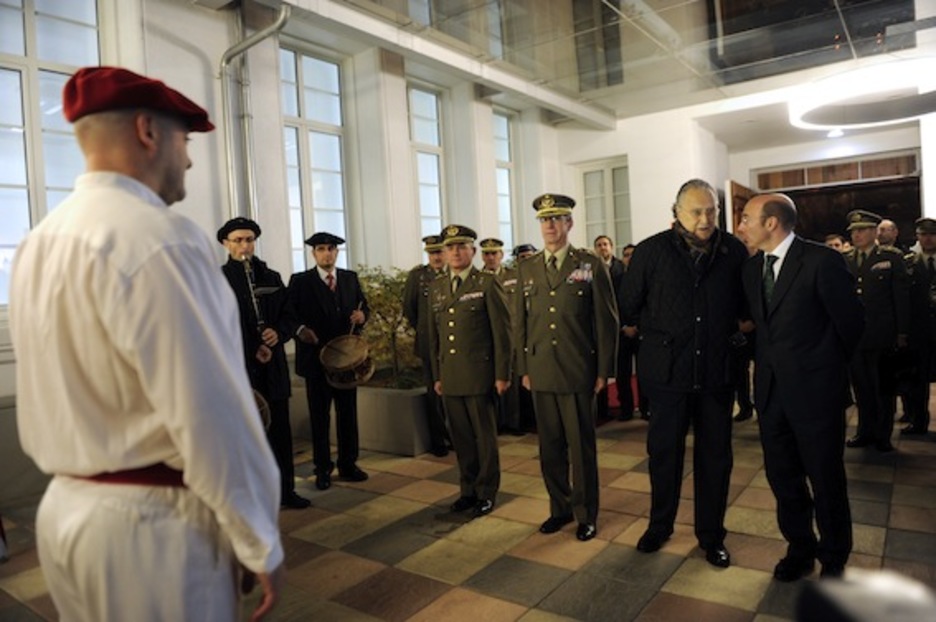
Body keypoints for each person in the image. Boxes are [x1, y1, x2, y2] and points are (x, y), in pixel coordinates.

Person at [9, 66, 284, 621]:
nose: (187, 159)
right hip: (153, 528)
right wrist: (259, 540)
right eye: (185, 140)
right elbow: (210, 414)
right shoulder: (162, 238)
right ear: (148, 132)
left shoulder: (39, 241)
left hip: (66, 515)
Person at [620, 179, 748, 568]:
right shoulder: (650, 251)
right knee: (664, 455)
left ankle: (712, 536)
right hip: (667, 375)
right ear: (675, 213)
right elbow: (629, 308)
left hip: (715, 374)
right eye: (696, 211)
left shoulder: (733, 251)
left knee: (715, 458)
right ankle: (660, 526)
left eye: (712, 211)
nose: (705, 219)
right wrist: (660, 335)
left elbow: (747, 307)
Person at [737, 193, 863, 581]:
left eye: (745, 218)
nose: (740, 227)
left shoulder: (822, 261)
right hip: (772, 394)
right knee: (783, 477)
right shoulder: (752, 268)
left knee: (825, 479)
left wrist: (822, 372)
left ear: (771, 223)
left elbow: (851, 326)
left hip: (817, 395)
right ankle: (800, 548)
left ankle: (834, 557)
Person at [513, 194, 618, 542]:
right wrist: (524, 367)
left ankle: (586, 513)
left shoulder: (588, 263)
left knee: (581, 447)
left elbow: (606, 320)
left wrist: (604, 370)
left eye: (557, 219)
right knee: (550, 447)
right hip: (541, 370)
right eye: (544, 220)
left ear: (569, 224)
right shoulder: (526, 268)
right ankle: (559, 508)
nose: (550, 226)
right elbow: (520, 324)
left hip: (577, 370)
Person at [218, 217, 310, 510]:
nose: (244, 246)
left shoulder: (271, 277)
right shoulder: (217, 279)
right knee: (246, 434)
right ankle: (251, 496)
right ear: (225, 244)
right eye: (238, 240)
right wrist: (253, 347)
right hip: (241, 369)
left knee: (280, 431)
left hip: (274, 368)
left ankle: (286, 491)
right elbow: (218, 323)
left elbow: (290, 315)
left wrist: (278, 334)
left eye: (249, 240)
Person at [430, 226, 511, 517]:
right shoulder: (437, 287)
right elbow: (434, 337)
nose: (455, 252)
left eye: (461, 247)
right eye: (450, 247)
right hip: (450, 375)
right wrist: (437, 375)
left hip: (480, 374)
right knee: (461, 438)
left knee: (484, 439)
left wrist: (503, 374)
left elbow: (502, 333)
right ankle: (468, 490)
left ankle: (487, 492)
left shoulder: (486, 283)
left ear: (472, 252)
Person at [287, 232, 370, 490]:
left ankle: (348, 464)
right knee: (319, 418)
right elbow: (289, 315)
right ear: (313, 253)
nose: (327, 253)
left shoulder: (349, 278)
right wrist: (301, 330)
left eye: (331, 249)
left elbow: (364, 307)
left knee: (348, 415)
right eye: (321, 249)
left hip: (347, 361)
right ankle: (322, 468)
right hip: (316, 362)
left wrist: (362, 316)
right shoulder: (300, 281)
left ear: (337, 252)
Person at [844, 210, 909, 453]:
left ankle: (883, 435)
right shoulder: (845, 259)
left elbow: (900, 299)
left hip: (883, 336)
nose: (856, 235)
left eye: (861, 230)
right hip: (856, 338)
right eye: (853, 231)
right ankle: (865, 431)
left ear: (874, 232)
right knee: (862, 389)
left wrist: (902, 332)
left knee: (883, 389)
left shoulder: (891, 257)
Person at [402, 235, 452, 456]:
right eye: (432, 253)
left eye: (439, 252)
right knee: (434, 393)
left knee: (454, 391)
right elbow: (409, 309)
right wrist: (425, 331)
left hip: (454, 342)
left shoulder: (454, 273)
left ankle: (456, 435)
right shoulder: (418, 276)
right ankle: (438, 440)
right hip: (429, 344)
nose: (436, 257)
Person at [479, 237, 524, 436]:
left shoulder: (514, 275)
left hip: (512, 336)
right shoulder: (476, 279)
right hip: (486, 338)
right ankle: (495, 422)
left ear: (501, 255)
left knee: (511, 380)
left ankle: (513, 422)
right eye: (486, 254)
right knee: (490, 381)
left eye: (494, 253)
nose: (490, 258)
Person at [902, 217, 936, 436]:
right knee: (918, 380)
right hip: (920, 332)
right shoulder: (909, 263)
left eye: (931, 234)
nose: (927, 239)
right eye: (923, 234)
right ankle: (919, 422)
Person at [594, 235, 628, 422]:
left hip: (620, 326)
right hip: (599, 327)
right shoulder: (589, 268)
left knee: (622, 371)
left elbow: (625, 298)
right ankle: (601, 409)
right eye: (599, 245)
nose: (602, 248)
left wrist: (624, 324)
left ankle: (627, 408)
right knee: (601, 369)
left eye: (605, 244)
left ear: (611, 247)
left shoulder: (621, 268)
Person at [616, 243, 649, 421]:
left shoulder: (649, 278)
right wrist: (624, 326)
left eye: (633, 254)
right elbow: (612, 306)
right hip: (622, 333)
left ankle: (646, 408)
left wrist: (638, 326)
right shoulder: (616, 279)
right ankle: (626, 409)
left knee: (644, 373)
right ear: (623, 258)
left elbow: (650, 306)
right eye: (627, 255)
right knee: (623, 374)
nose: (630, 258)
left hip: (642, 332)